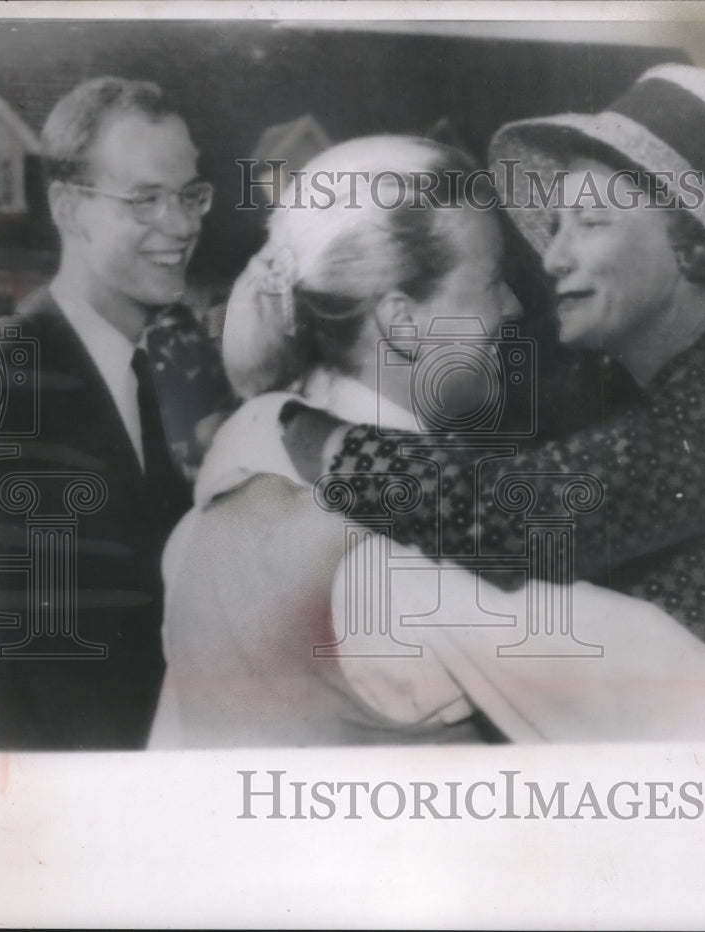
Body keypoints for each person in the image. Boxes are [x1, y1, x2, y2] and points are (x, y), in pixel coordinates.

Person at [283, 64, 705, 674]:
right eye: (556, 226)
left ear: (690, 242)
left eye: (591, 222)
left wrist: (305, 432)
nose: (554, 258)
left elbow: (513, 516)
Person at [150, 135, 526, 747]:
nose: (512, 307)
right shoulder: (422, 550)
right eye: (491, 280)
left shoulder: (200, 524)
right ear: (403, 320)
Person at [0, 77, 234, 749]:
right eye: (144, 199)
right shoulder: (5, 379)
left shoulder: (166, 376)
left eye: (189, 194)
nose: (180, 225)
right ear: (69, 208)